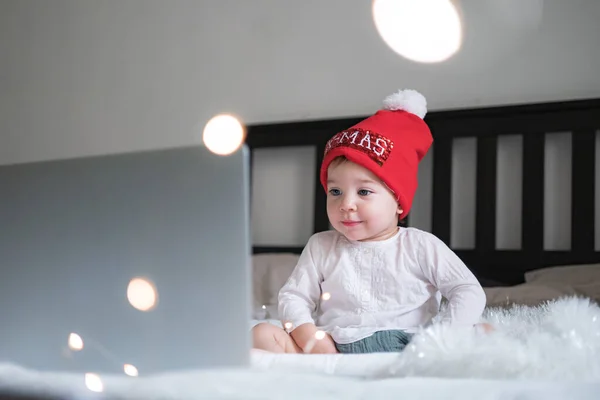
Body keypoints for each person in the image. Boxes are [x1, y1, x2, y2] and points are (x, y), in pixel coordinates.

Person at [252, 89, 488, 354]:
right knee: (261, 335)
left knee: (484, 333)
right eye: (335, 192)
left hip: (410, 345)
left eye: (364, 192)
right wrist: (310, 337)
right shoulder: (321, 245)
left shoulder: (420, 245)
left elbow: (466, 289)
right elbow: (294, 296)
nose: (346, 204)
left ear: (398, 201)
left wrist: (445, 334)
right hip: (334, 345)